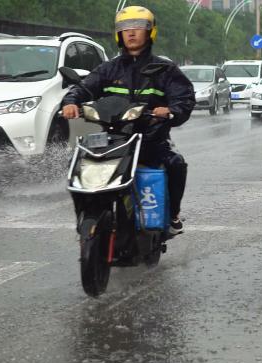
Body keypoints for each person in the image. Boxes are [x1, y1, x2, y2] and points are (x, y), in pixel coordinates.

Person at [62, 6, 195, 236]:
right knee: (78, 165)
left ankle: (172, 215)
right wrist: (71, 102)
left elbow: (183, 99)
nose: (131, 33)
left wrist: (171, 110)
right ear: (118, 34)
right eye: (125, 28)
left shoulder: (165, 69)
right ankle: (86, 218)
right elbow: (84, 88)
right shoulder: (108, 68)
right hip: (113, 139)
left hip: (150, 140)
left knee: (176, 164)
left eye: (138, 27)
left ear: (150, 32)